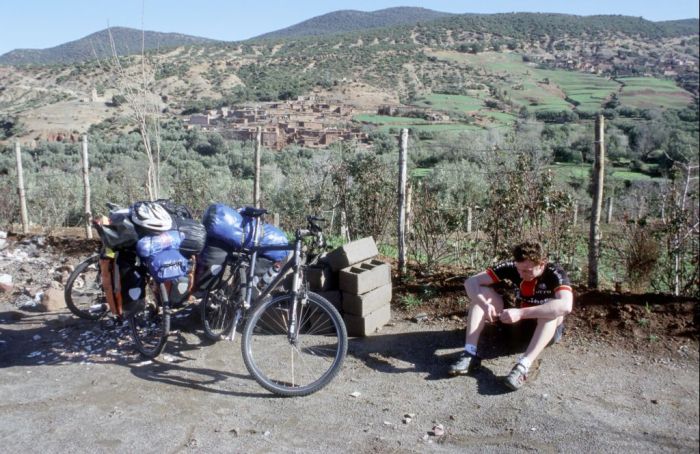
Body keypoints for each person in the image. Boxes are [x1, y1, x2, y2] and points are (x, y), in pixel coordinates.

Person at [448, 240, 573, 390]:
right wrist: (484, 304)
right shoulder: (513, 267)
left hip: (544, 330)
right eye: (519, 270)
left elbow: (566, 306)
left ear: (542, 263)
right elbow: (470, 283)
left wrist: (521, 313)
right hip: (515, 328)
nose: (521, 274)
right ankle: (469, 353)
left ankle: (523, 366)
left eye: (527, 270)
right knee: (481, 297)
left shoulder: (555, 272)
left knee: (553, 309)